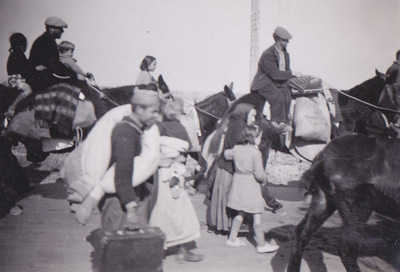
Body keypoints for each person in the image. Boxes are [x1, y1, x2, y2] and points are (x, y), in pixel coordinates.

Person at [149, 98, 203, 263]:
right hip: (175, 174)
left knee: (161, 211)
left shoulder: (158, 127)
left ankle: (161, 248)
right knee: (181, 211)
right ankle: (182, 247)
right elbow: (187, 148)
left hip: (162, 174)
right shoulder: (180, 128)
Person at [29, 17, 107, 119]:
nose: (62, 31)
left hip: (42, 75)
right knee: (80, 81)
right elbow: (54, 65)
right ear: (51, 28)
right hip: (43, 78)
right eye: (60, 29)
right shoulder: (47, 41)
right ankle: (95, 112)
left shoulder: (45, 40)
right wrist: (74, 75)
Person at [224, 125, 279, 253]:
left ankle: (232, 239)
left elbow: (226, 154)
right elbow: (259, 174)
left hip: (238, 183)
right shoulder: (255, 153)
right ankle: (261, 244)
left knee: (241, 212)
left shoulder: (237, 149)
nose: (260, 139)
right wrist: (264, 180)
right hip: (251, 185)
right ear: (253, 138)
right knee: (257, 213)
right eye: (259, 137)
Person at [111, 89, 160, 229]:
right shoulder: (126, 132)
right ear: (140, 109)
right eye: (153, 112)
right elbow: (122, 172)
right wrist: (131, 209)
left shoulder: (136, 130)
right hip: (122, 204)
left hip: (128, 198)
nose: (156, 116)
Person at [250, 26, 294, 132]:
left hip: (277, 82)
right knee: (277, 95)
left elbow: (284, 72)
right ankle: (276, 123)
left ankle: (284, 123)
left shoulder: (285, 54)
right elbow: (275, 74)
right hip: (263, 83)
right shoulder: (268, 54)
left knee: (287, 94)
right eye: (285, 40)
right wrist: (292, 74)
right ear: (278, 40)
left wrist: (291, 77)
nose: (287, 42)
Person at [5, 33, 33, 117]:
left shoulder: (13, 53)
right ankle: (12, 107)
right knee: (28, 90)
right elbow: (26, 67)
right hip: (16, 79)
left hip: (15, 78)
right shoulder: (19, 54)